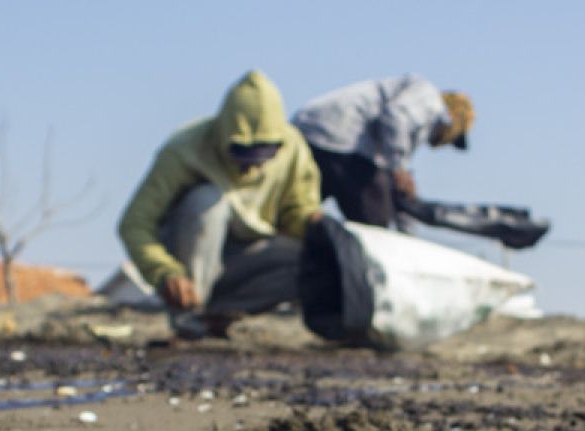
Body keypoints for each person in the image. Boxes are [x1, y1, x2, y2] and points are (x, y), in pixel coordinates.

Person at [118, 70, 323, 339]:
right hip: (191, 257)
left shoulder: (294, 148)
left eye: (265, 155)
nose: (254, 164)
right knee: (207, 202)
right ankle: (190, 318)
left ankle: (222, 314)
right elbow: (135, 223)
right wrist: (165, 273)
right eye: (243, 154)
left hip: (249, 256)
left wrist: (314, 225)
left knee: (316, 258)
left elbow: (296, 214)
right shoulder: (185, 148)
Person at [292, 75, 473, 228]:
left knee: (297, 212)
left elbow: (396, 187)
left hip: (309, 134)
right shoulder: (430, 99)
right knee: (375, 221)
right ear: (452, 121)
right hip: (344, 137)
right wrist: (399, 170)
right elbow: (396, 116)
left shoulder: (408, 127)